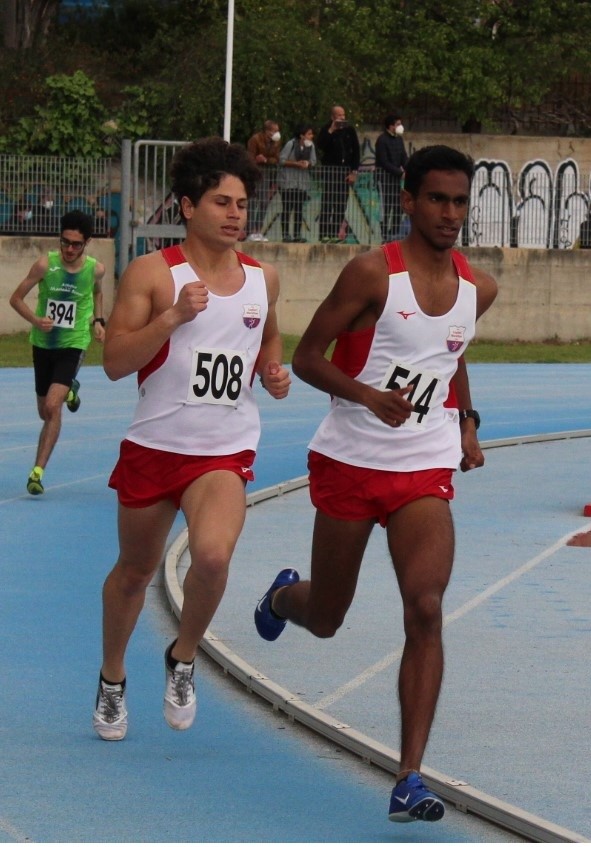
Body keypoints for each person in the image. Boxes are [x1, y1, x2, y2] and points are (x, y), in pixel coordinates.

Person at [254, 145, 497, 823]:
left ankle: (408, 777)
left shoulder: (478, 288)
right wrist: (366, 395)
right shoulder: (371, 274)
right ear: (409, 201)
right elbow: (307, 357)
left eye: (459, 201)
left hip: (422, 466)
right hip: (352, 463)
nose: (450, 213)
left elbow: (449, 353)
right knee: (327, 617)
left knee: (426, 605)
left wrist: (466, 423)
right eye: (437, 199)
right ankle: (283, 596)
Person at [93, 136, 291, 742]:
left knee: (211, 557)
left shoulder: (263, 279)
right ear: (187, 206)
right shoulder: (153, 274)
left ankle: (182, 657)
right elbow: (115, 362)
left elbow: (269, 336)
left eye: (242, 204)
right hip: (155, 446)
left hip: (223, 450)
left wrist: (272, 369)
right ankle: (112, 676)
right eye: (221, 202)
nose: (235, 214)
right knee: (135, 570)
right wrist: (173, 317)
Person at [9, 210, 106, 495]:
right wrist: (35, 320)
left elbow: (98, 292)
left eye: (76, 244)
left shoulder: (95, 269)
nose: (69, 249)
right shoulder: (45, 265)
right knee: (44, 412)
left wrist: (98, 321)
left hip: (74, 343)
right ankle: (70, 390)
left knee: (53, 406)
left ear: (87, 243)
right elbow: (16, 298)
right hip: (43, 344)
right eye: (65, 242)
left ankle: (37, 472)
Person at [316, 105, 360, 243]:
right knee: (327, 203)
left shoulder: (349, 130)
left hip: (344, 172)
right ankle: (324, 234)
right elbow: (321, 145)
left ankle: (335, 233)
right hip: (330, 172)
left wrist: (354, 171)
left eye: (343, 115)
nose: (342, 117)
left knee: (340, 204)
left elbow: (356, 151)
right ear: (333, 117)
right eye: (339, 115)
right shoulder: (326, 129)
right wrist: (331, 130)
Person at [277, 123, 317, 243]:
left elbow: (314, 161)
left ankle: (297, 234)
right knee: (287, 208)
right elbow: (282, 160)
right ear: (301, 135)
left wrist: (308, 164)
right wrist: (296, 164)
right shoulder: (291, 144)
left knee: (299, 209)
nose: (311, 136)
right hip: (288, 181)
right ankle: (285, 234)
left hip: (302, 183)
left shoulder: (311, 146)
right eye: (309, 134)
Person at [375, 113, 409, 243]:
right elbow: (383, 162)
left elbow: (403, 158)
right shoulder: (382, 140)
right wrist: (399, 173)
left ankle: (394, 233)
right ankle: (384, 234)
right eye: (398, 124)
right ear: (391, 126)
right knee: (385, 207)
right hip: (384, 179)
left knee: (398, 207)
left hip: (395, 181)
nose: (400, 126)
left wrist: (409, 170)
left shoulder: (399, 140)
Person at [245, 119, 282, 241]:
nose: (277, 133)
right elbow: (249, 157)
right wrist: (256, 159)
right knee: (252, 203)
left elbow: (276, 159)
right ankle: (250, 231)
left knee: (264, 202)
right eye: (274, 131)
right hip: (254, 174)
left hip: (265, 175)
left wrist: (266, 160)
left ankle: (258, 230)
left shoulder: (276, 142)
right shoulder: (255, 139)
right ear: (267, 131)